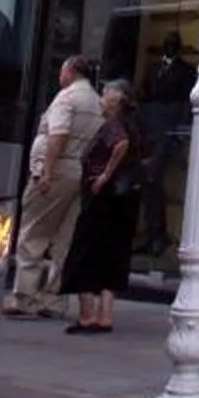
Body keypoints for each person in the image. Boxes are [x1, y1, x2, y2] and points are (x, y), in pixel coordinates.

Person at [5, 54, 103, 317]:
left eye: (62, 71)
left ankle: (24, 296)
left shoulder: (67, 98)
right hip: (80, 172)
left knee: (33, 232)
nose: (60, 76)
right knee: (64, 240)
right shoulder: (95, 101)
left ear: (70, 71)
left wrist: (46, 171)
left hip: (58, 169)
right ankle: (54, 299)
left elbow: (58, 134)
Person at [60, 80, 146, 332]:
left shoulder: (114, 125)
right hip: (125, 198)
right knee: (113, 255)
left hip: (103, 198)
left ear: (117, 99)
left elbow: (120, 145)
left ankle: (87, 315)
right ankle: (105, 314)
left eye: (107, 93)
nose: (101, 97)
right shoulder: (136, 125)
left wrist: (104, 175)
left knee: (84, 252)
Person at [136, 32, 193, 254]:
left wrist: (180, 134)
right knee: (147, 182)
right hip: (150, 127)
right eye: (166, 43)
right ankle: (153, 233)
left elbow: (187, 105)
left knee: (153, 178)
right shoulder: (152, 68)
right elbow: (144, 95)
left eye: (173, 44)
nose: (169, 47)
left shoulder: (186, 72)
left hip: (168, 129)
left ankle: (158, 235)